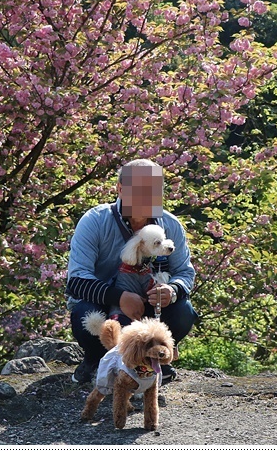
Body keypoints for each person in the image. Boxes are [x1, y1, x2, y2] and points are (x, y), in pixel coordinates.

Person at [66, 158, 199, 384]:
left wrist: (172, 290)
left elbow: (185, 273)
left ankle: (152, 363)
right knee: (84, 315)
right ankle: (96, 360)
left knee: (183, 311)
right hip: (103, 302)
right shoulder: (95, 221)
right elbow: (76, 281)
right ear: (120, 189)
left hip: (150, 303)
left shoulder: (170, 224)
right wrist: (119, 297)